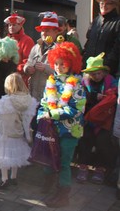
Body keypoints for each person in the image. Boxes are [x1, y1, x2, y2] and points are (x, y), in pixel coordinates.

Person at [37, 42, 86, 208]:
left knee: (64, 162)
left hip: (70, 131)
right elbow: (45, 103)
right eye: (56, 63)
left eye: (62, 63)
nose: (58, 67)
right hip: (52, 130)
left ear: (71, 63)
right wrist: (41, 116)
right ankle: (49, 186)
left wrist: (52, 114)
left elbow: (76, 109)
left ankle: (63, 196)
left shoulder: (77, 84)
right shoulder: (51, 81)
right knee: (50, 159)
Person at [0, 72, 37, 189]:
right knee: (15, 155)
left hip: (5, 133)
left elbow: (2, 119)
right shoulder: (29, 100)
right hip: (18, 133)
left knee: (3, 156)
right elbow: (27, 120)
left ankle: (4, 179)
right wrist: (28, 135)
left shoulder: (6, 101)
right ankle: (13, 177)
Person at [76, 53, 118, 184]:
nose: (96, 76)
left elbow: (116, 95)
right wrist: (94, 97)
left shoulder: (111, 81)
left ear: (104, 72)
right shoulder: (84, 82)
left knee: (103, 143)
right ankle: (83, 167)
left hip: (105, 121)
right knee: (85, 140)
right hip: (87, 119)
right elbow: (80, 97)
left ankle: (100, 169)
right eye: (93, 74)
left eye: (99, 73)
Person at [24, 11, 60, 102]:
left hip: (49, 97)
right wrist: (27, 69)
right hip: (32, 95)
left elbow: (63, 74)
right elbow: (28, 63)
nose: (44, 33)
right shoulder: (35, 48)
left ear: (56, 32)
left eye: (47, 30)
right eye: (42, 30)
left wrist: (46, 68)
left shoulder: (60, 49)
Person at [83, 0, 120, 76]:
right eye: (102, 3)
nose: (104, 5)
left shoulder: (118, 22)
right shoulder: (95, 21)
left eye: (108, 3)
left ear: (114, 5)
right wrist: (83, 62)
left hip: (108, 72)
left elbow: (117, 48)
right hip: (90, 70)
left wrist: (106, 66)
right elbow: (88, 44)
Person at [4, 13, 34, 83]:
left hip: (20, 79)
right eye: (10, 25)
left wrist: (15, 69)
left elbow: (28, 61)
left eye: (14, 25)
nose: (11, 27)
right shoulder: (5, 40)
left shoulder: (27, 40)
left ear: (20, 25)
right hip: (6, 77)